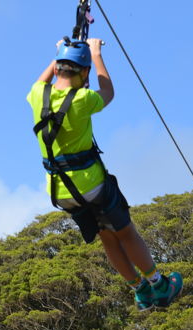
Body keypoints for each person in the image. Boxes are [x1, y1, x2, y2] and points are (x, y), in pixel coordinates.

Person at [27, 38, 182, 310]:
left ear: (58, 68)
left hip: (60, 191)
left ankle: (139, 290)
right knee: (125, 233)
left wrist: (60, 50)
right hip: (90, 184)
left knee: (106, 237)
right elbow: (108, 91)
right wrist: (96, 54)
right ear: (83, 73)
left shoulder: (37, 94)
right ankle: (158, 283)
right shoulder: (83, 99)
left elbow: (46, 75)